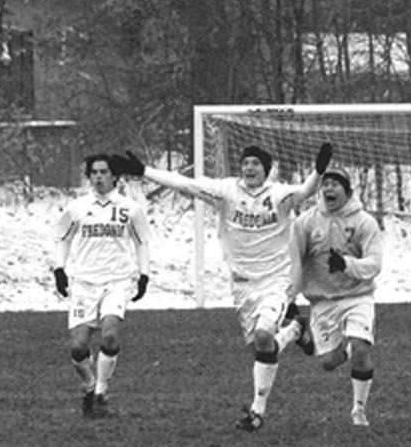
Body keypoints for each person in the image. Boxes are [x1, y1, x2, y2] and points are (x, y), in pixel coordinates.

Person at [112, 143, 332, 431]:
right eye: (246, 162)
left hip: (276, 281)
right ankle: (294, 331)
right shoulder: (226, 192)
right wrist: (144, 171)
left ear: (267, 169)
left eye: (256, 163)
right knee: (261, 349)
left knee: (265, 336)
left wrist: (318, 171)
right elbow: (186, 184)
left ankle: (257, 412)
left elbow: (305, 191)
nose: (250, 168)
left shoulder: (278, 196)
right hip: (242, 285)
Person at [52, 154, 152, 417]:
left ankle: (100, 393)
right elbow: (62, 238)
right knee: (78, 346)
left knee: (109, 334)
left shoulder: (131, 209)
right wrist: (59, 269)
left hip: (117, 281)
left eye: (103, 172)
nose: (98, 177)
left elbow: (142, 242)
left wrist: (144, 274)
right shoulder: (76, 208)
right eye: (93, 172)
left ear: (114, 176)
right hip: (84, 283)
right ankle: (88, 386)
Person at [287, 168, 383, 427]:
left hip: (357, 296)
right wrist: (290, 298)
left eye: (335, 184)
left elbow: (375, 264)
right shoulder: (306, 222)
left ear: (348, 192)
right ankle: (308, 333)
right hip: (323, 301)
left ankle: (358, 411)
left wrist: (347, 265)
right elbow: (294, 262)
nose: (328, 189)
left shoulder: (364, 222)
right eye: (325, 184)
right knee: (328, 363)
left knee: (361, 349)